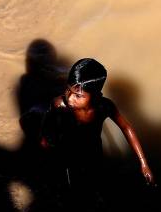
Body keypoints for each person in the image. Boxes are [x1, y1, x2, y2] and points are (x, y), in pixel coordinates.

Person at [40, 58, 154, 189]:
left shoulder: (104, 107)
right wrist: (45, 143)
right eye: (68, 90)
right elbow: (47, 125)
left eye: (78, 95)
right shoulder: (59, 105)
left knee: (96, 182)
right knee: (71, 186)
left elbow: (126, 127)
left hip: (93, 150)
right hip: (68, 151)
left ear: (95, 96)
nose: (69, 98)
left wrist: (143, 163)